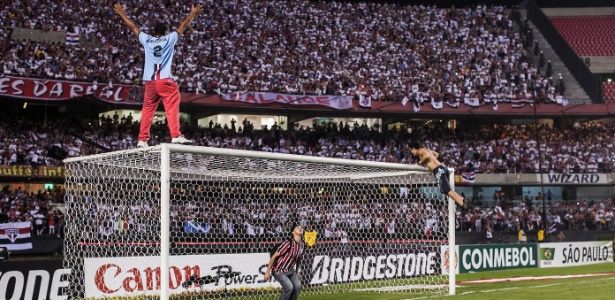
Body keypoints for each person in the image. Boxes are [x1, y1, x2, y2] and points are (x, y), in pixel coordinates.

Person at [113, 3, 203, 148]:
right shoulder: (170, 38)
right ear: (165, 31)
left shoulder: (147, 40)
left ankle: (142, 140)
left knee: (148, 109)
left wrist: (121, 13)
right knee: (172, 103)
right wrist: (193, 13)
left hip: (150, 83)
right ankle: (175, 135)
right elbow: (184, 25)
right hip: (164, 80)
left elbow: (133, 27)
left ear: (154, 32)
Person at [409, 141, 468, 208]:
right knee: (447, 190)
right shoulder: (426, 150)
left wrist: (419, 163)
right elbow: (436, 154)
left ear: (413, 148)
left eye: (411, 150)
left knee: (447, 190)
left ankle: (462, 204)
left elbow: (426, 156)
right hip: (443, 168)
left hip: (438, 170)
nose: (411, 152)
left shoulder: (420, 151)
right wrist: (431, 163)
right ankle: (462, 199)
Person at [264, 224, 305, 300]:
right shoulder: (288, 243)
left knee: (297, 287)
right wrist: (267, 272)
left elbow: (299, 258)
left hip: (290, 271)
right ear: (293, 232)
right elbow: (273, 257)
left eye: (300, 227)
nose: (300, 228)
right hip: (279, 271)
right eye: (297, 227)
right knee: (289, 288)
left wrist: (296, 271)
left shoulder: (302, 245)